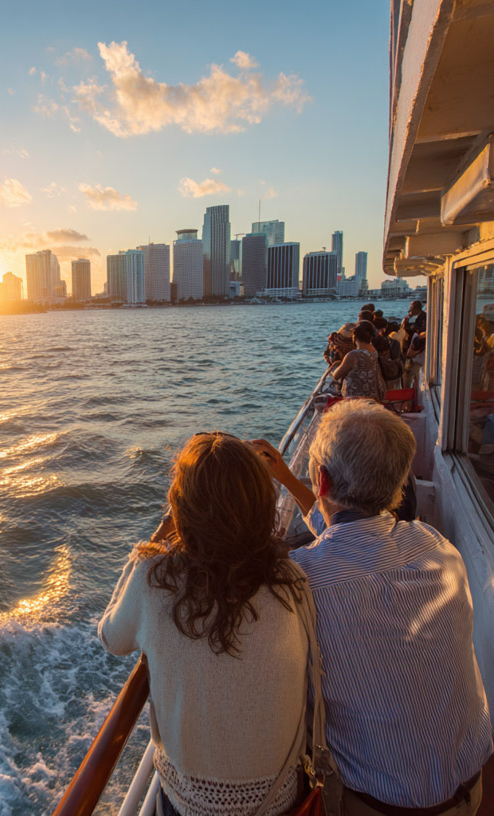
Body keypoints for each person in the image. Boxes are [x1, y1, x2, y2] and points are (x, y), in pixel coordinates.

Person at [253, 402, 492, 815]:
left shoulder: (302, 584)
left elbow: (341, 545)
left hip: (387, 807)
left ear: (322, 480)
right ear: (400, 481)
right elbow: (352, 534)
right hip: (473, 789)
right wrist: (288, 478)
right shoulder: (437, 546)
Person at [100, 433, 309, 816]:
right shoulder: (290, 578)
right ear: (262, 504)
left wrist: (153, 541)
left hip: (189, 806)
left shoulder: (154, 578)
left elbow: (112, 637)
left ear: (182, 509)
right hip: (281, 800)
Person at [330, 321, 384, 399]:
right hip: (372, 396)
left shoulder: (353, 355)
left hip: (355, 399)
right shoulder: (374, 351)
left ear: (354, 337)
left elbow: (336, 375)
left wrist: (334, 368)